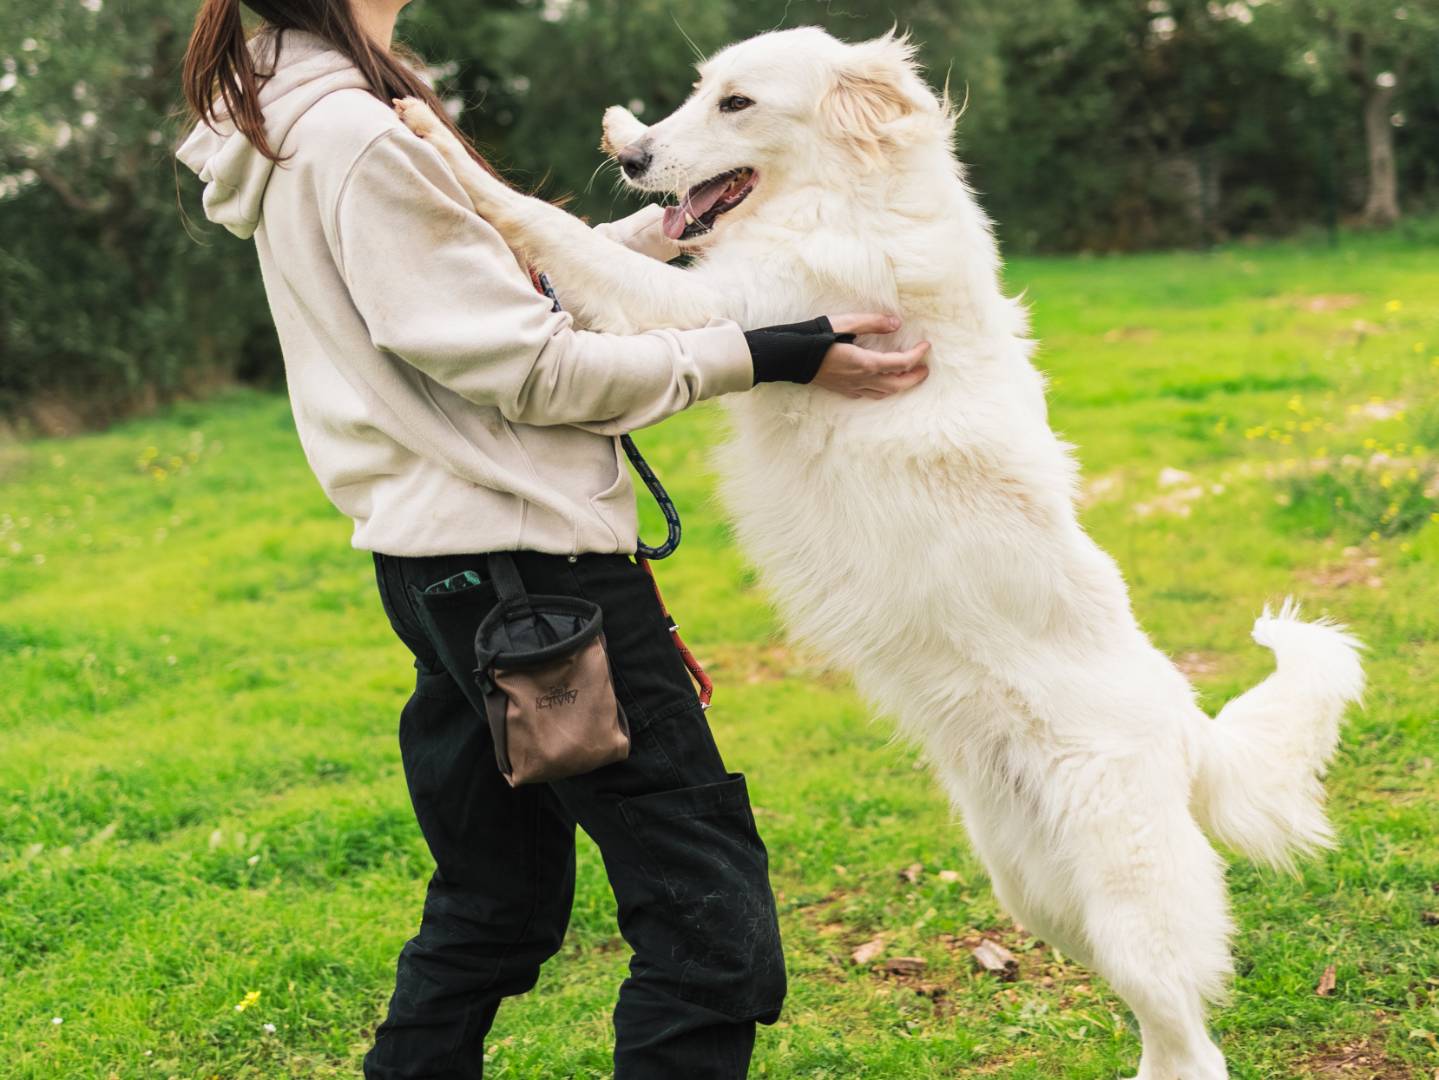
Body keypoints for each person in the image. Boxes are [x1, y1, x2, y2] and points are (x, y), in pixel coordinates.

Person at [178, 2, 930, 1077]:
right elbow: (533, 372)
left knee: (495, 908)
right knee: (707, 928)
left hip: (442, 575)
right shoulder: (354, 134)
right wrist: (765, 352)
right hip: (535, 590)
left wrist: (670, 230)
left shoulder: (298, 115)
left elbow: (496, 292)